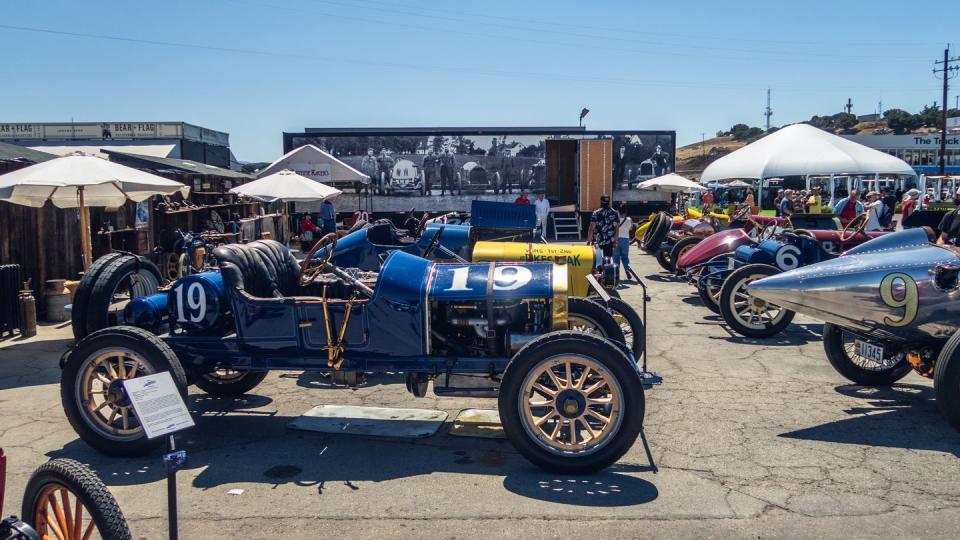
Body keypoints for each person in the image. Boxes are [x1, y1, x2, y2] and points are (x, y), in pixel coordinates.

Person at [613, 201, 634, 280]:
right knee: (625, 257)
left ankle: (616, 274)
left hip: (616, 239)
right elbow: (631, 228)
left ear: (618, 211)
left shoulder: (615, 220)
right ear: (625, 211)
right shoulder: (629, 219)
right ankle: (627, 270)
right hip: (625, 240)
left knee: (616, 258)